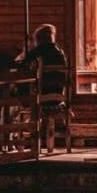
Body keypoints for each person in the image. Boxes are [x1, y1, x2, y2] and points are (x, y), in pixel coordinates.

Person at [19, 24, 69, 152]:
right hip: (59, 99)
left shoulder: (39, 50)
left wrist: (26, 51)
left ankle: (13, 140)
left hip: (41, 99)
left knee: (14, 100)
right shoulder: (60, 52)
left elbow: (22, 64)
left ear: (39, 39)